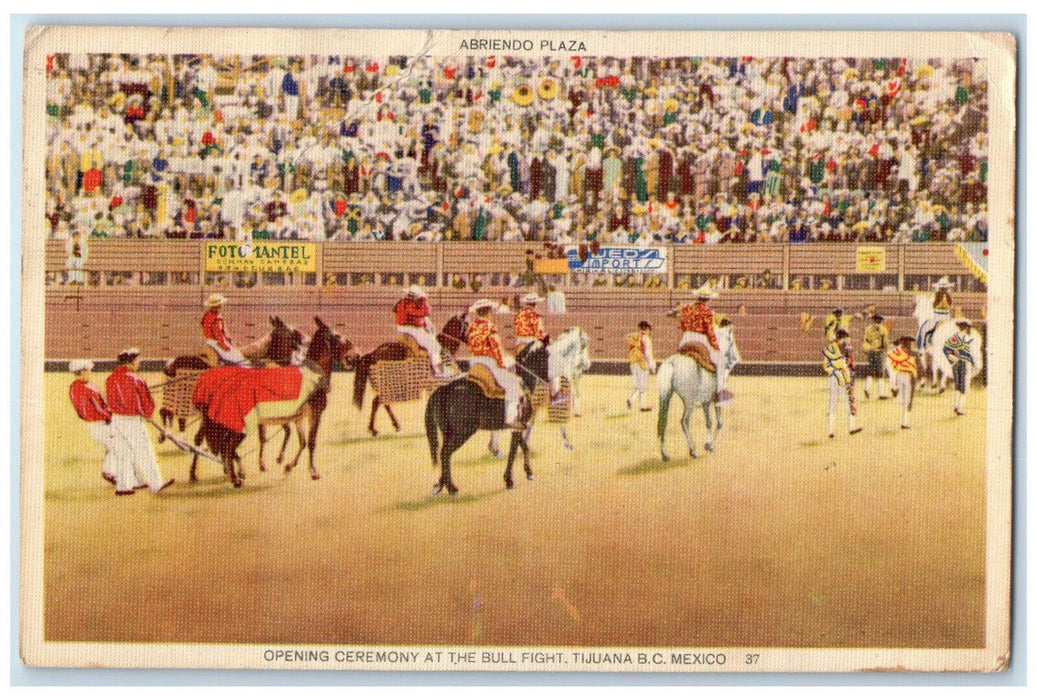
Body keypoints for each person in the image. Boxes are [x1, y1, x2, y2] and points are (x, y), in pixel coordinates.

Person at [105, 348, 174, 495]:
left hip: (116, 420)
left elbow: (112, 401)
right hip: (133, 421)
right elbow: (147, 402)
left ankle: (123, 487)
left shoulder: (110, 379)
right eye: (137, 361)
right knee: (145, 452)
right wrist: (147, 414)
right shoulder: (137, 380)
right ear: (130, 362)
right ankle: (156, 484)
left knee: (124, 453)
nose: (139, 363)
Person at [466, 299, 526, 429]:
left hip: (474, 360)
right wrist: (502, 363)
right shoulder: (489, 327)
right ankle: (510, 419)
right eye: (490, 312)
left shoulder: (472, 327)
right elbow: (496, 348)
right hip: (488, 361)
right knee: (513, 385)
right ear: (488, 312)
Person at [672, 282, 729, 403]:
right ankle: (719, 392)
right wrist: (715, 346)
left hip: (686, 338)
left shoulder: (687, 308)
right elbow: (709, 331)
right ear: (708, 300)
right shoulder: (707, 312)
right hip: (700, 339)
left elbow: (682, 325)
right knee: (721, 362)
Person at [68, 359, 117, 486]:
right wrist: (108, 415)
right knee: (116, 446)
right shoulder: (80, 388)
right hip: (99, 423)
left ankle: (113, 473)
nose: (89, 373)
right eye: (87, 371)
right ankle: (109, 472)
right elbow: (90, 409)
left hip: (102, 421)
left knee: (114, 446)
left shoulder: (87, 385)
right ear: (81, 372)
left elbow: (102, 402)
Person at [393, 284, 448, 377]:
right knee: (434, 346)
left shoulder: (401, 302)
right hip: (411, 329)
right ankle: (436, 369)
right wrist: (423, 301)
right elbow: (425, 312)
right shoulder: (410, 304)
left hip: (402, 328)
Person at [822, 328, 862, 438]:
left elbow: (825, 366)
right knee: (849, 401)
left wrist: (833, 371)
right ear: (843, 338)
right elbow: (850, 365)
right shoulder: (846, 349)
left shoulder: (829, 348)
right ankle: (851, 427)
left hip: (832, 377)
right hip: (843, 377)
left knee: (832, 403)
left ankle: (831, 431)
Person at [943, 318, 979, 416]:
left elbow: (946, 349)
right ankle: (959, 407)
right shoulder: (967, 338)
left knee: (958, 385)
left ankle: (956, 405)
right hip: (964, 362)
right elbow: (971, 352)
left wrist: (952, 359)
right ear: (966, 327)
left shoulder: (954, 337)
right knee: (964, 386)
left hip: (955, 363)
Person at [201, 293, 248, 366]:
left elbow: (222, 332)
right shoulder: (213, 318)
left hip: (216, 340)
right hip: (214, 342)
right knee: (234, 356)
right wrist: (225, 346)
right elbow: (217, 334)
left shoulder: (213, 315)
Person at [886, 336, 918, 429]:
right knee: (907, 399)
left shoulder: (902, 353)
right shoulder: (904, 353)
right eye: (907, 343)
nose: (908, 345)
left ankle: (905, 421)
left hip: (904, 375)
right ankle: (904, 421)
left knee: (906, 399)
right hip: (903, 375)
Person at [626, 320, 656, 411]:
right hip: (642, 363)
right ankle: (641, 405)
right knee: (642, 386)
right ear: (647, 329)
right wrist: (652, 366)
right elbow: (648, 354)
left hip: (633, 363)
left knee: (637, 386)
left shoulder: (633, 337)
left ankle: (631, 400)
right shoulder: (646, 339)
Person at [861, 313, 891, 400]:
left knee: (871, 371)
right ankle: (880, 393)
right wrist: (886, 349)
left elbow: (866, 341)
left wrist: (867, 349)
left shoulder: (868, 329)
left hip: (871, 351)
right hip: (879, 352)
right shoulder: (883, 329)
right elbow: (885, 343)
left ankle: (866, 388)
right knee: (881, 373)